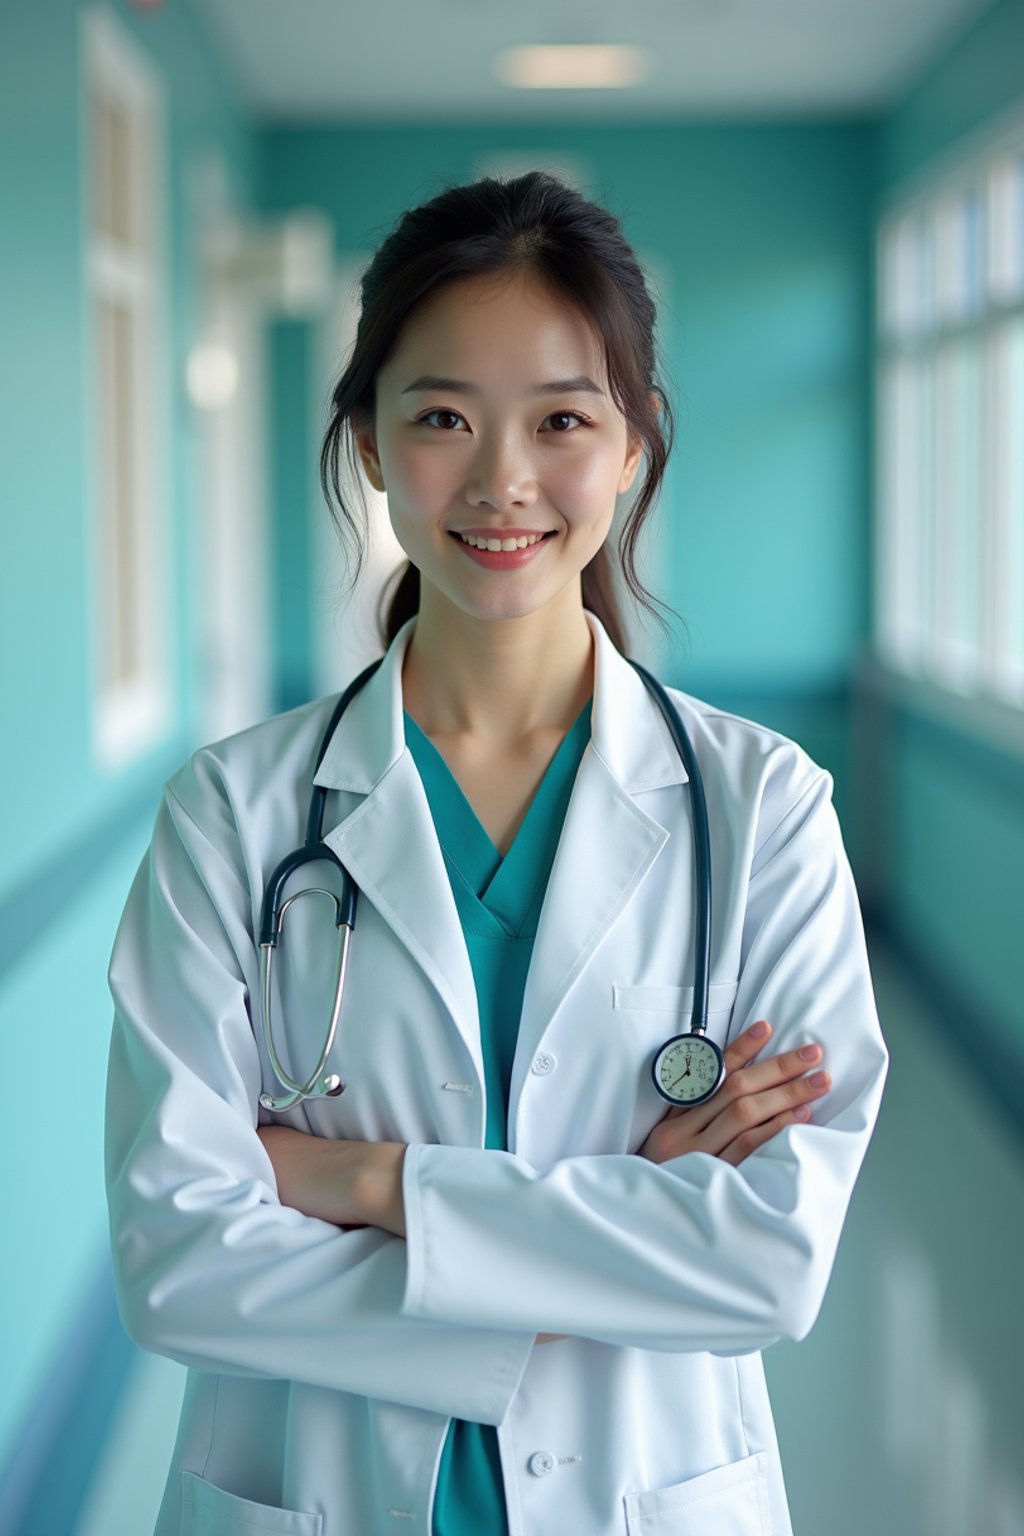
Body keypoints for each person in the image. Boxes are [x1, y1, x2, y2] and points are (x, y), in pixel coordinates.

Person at [105, 170, 888, 1536]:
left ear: (635, 444)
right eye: (442, 417)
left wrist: (367, 1185)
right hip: (322, 1491)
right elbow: (177, 1261)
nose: (502, 481)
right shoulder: (234, 816)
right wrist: (623, 1238)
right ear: (365, 440)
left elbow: (771, 1269)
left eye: (563, 420)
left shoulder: (763, 810)